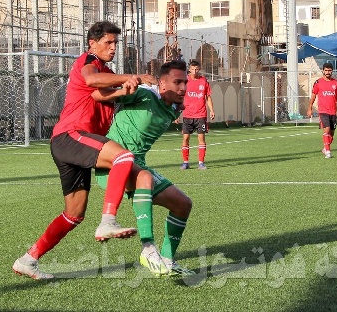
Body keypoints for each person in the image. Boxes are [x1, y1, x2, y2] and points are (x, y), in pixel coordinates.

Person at [12, 21, 157, 280]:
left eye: (116, 43)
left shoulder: (105, 69)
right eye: (108, 43)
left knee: (74, 214)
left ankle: (28, 260)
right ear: (93, 43)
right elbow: (92, 80)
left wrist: (125, 90)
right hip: (71, 136)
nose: (113, 48)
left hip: (69, 144)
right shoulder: (87, 61)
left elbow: (100, 94)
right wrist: (130, 78)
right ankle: (108, 220)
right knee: (123, 156)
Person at [95, 60, 195, 276]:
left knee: (183, 204)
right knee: (145, 178)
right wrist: (130, 83)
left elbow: (169, 107)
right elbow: (99, 94)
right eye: (177, 82)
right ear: (162, 83)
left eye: (185, 82)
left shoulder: (172, 109)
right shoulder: (144, 94)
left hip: (137, 164)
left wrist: (177, 107)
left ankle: (167, 260)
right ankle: (148, 248)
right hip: (112, 164)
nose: (183, 88)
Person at [180, 60, 215, 170]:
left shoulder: (203, 81)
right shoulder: (185, 81)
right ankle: (185, 162)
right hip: (187, 114)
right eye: (192, 69)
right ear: (189, 69)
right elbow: (179, 97)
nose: (195, 71)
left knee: (201, 137)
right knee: (186, 138)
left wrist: (212, 110)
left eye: (197, 69)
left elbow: (208, 97)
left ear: (199, 69)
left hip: (201, 114)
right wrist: (176, 113)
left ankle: (201, 163)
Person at [307, 62, 337, 158]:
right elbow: (313, 96)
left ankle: (325, 148)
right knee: (326, 130)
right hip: (323, 111)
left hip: (333, 111)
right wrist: (309, 108)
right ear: (323, 71)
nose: (327, 72)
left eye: (329, 70)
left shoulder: (336, 83)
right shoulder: (318, 83)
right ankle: (328, 151)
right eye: (326, 70)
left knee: (331, 134)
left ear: (332, 71)